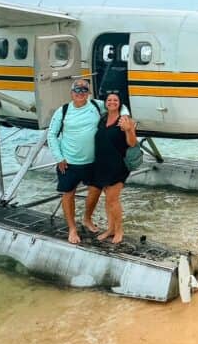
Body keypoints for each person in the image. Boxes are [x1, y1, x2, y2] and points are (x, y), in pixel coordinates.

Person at [47, 77, 103, 244]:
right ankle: (72, 228)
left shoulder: (96, 106)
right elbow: (52, 135)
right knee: (68, 194)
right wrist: (59, 158)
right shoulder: (63, 111)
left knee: (95, 190)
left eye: (84, 90)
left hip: (92, 161)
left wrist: (127, 119)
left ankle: (87, 218)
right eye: (77, 90)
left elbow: (117, 106)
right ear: (72, 93)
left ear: (88, 93)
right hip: (69, 162)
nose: (80, 93)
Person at [86, 91, 137, 244]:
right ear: (105, 103)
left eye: (115, 100)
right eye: (109, 100)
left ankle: (119, 230)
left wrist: (128, 129)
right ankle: (110, 229)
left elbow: (132, 143)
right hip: (101, 164)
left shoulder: (125, 120)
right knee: (107, 201)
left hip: (117, 165)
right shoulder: (102, 119)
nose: (112, 102)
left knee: (112, 199)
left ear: (120, 103)